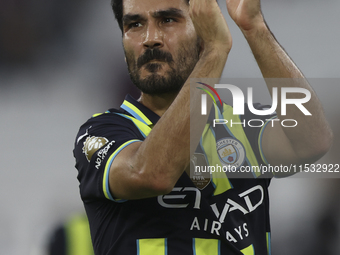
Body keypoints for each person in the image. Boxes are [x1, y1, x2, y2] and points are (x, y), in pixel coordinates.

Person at [73, 0, 333, 254]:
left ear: (202, 29)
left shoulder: (241, 124)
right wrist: (214, 51)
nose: (150, 38)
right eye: (135, 24)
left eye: (167, 20)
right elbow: (152, 174)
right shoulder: (101, 133)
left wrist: (254, 27)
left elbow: (313, 141)